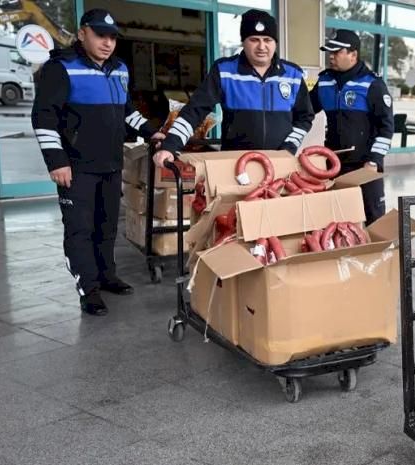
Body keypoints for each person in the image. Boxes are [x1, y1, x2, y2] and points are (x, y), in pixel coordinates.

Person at [32, 9, 162, 316]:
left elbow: (127, 111)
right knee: (80, 229)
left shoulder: (119, 69)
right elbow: (43, 117)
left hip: (111, 165)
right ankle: (88, 289)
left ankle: (106, 276)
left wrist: (151, 132)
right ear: (82, 34)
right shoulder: (61, 68)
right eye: (100, 35)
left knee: (106, 226)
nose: (107, 43)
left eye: (112, 37)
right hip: (76, 167)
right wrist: (56, 161)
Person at [153, 9, 313, 167]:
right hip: (234, 164)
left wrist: (288, 148)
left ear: (275, 43)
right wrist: (170, 145)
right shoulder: (224, 71)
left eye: (267, 40)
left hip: (280, 163)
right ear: (243, 42)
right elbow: (195, 110)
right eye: (254, 39)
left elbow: (304, 117)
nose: (262, 46)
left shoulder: (293, 75)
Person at [310, 29, 394, 223]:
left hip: (365, 166)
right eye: (330, 52)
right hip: (334, 166)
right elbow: (305, 111)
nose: (331, 56)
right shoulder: (324, 82)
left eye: (336, 52)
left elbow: (386, 127)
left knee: (374, 218)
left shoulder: (372, 84)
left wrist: (374, 161)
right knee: (338, 220)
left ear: (353, 55)